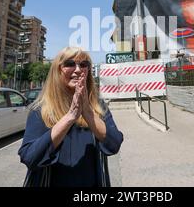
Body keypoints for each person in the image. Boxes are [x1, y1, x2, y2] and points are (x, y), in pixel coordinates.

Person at [18, 47, 123, 187]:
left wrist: (87, 112)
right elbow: (30, 157)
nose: (78, 69)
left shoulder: (99, 106)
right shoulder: (40, 110)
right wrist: (70, 116)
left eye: (83, 64)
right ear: (57, 70)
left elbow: (114, 143)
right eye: (70, 64)